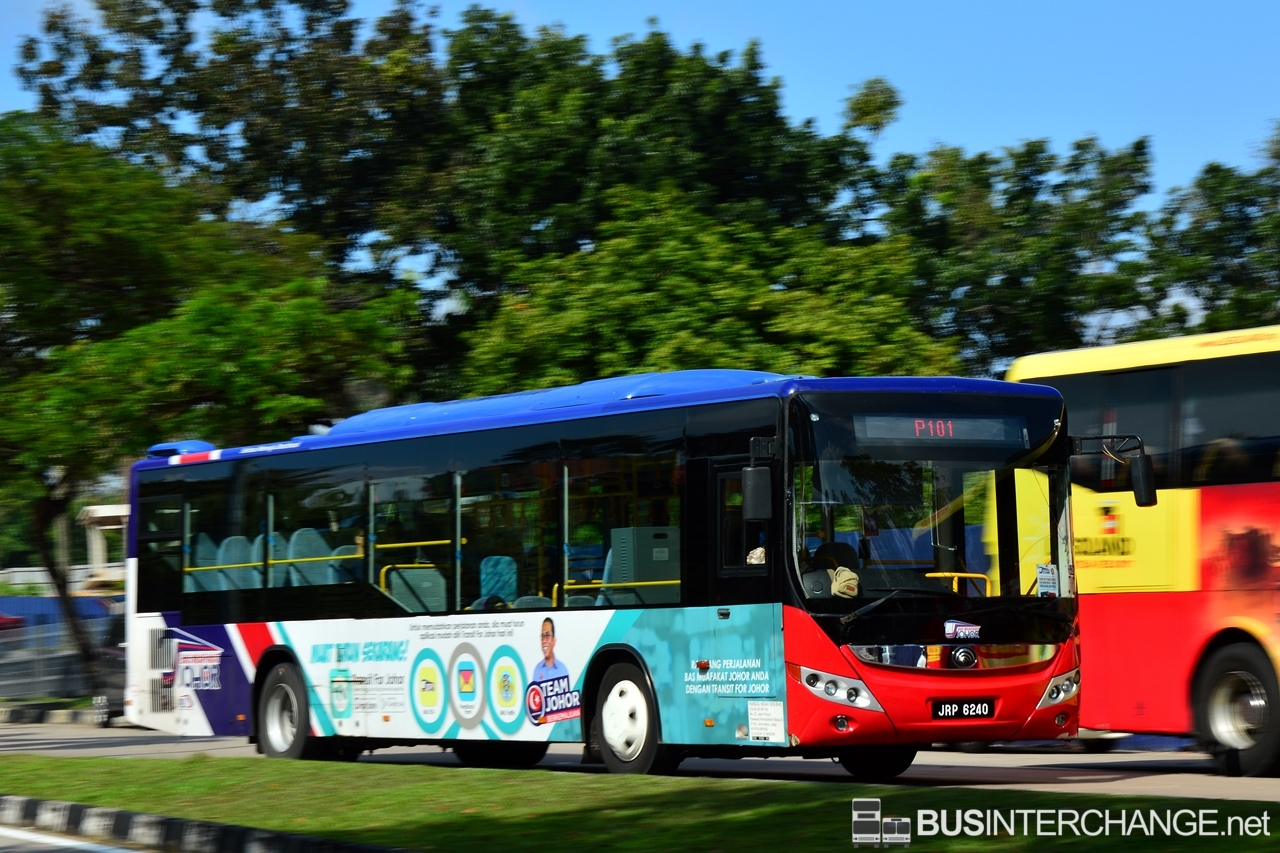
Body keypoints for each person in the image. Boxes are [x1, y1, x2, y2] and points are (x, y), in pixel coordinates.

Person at [532, 618, 569, 682]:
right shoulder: (537, 670)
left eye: (547, 635)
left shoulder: (562, 669)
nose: (544, 640)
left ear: (554, 640)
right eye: (542, 636)